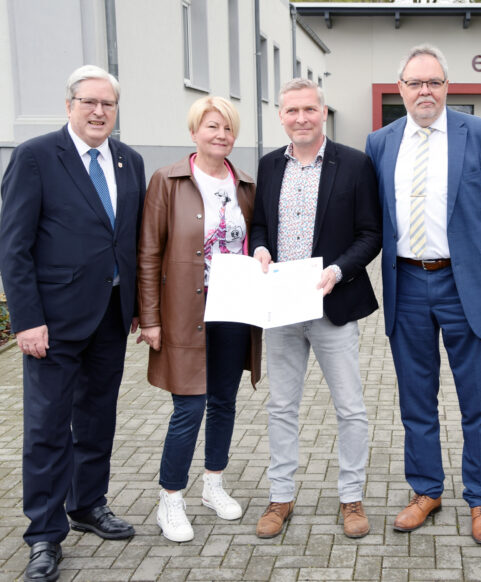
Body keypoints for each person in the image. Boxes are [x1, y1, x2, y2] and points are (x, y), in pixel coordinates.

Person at [365, 45, 481, 545]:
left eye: (433, 82)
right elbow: (374, 217)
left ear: (447, 86)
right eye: (415, 83)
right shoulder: (380, 143)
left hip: (464, 286)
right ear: (401, 89)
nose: (424, 91)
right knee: (416, 400)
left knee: (478, 402)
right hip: (406, 283)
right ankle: (426, 490)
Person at [0, 65, 145, 582]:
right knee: (45, 429)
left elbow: (127, 240)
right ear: (69, 105)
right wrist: (27, 320)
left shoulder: (129, 160)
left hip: (109, 316)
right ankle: (43, 534)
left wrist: (136, 307)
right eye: (89, 102)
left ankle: (88, 505)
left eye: (107, 103)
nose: (99, 111)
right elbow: (13, 246)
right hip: (52, 323)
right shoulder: (37, 157)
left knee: (97, 418)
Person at [250, 78, 381, 540]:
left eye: (309, 110)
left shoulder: (355, 165)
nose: (301, 118)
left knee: (350, 408)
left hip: (333, 303)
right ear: (280, 116)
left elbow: (371, 233)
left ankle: (352, 497)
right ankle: (280, 497)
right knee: (282, 406)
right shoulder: (269, 166)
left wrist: (339, 271)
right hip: (282, 306)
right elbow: (260, 223)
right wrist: (261, 248)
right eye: (292, 111)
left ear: (322, 112)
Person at [137, 96, 262, 543]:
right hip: (185, 312)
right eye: (212, 127)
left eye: (228, 128)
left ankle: (213, 485)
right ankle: (170, 499)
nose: (221, 135)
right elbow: (149, 252)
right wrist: (148, 317)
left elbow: (256, 243)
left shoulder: (245, 184)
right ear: (194, 132)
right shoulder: (167, 180)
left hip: (234, 310)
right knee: (189, 405)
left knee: (225, 402)